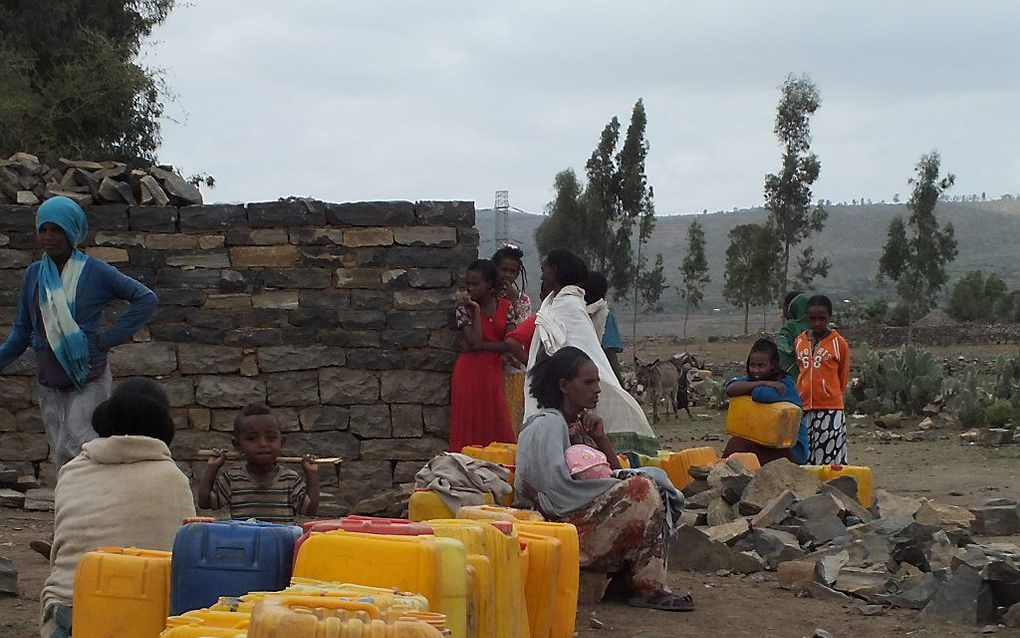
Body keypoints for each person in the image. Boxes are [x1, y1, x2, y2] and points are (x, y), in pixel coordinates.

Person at [515, 346, 693, 611]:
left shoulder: (577, 423)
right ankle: (650, 588)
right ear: (564, 385)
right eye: (589, 382)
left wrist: (600, 438)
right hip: (558, 525)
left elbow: (610, 471)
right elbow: (556, 494)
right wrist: (621, 489)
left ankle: (629, 581)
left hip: (579, 514)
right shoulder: (547, 425)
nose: (597, 388)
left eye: (597, 381)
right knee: (640, 489)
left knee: (645, 486)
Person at [0, 196, 157, 471]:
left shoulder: (96, 271)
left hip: (88, 374)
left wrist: (107, 339)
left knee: (86, 445)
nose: (49, 237)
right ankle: (69, 509)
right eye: (44, 230)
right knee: (60, 450)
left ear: (72, 231)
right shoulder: (34, 275)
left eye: (57, 230)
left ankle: (94, 506)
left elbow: (145, 298)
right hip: (49, 376)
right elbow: (23, 330)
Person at [39, 378, 195, 638]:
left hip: (69, 614)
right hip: (145, 618)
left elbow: (61, 547)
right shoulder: (172, 478)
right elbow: (183, 559)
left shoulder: (72, 471)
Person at [523, 249, 657, 454]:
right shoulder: (558, 303)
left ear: (556, 271)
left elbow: (563, 350)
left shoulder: (568, 305)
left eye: (545, 270)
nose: (542, 276)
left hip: (564, 390)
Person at [198, 403, 319, 523]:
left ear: (281, 442)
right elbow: (205, 503)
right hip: (244, 542)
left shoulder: (290, 479)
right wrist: (212, 468)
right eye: (252, 439)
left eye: (271, 438)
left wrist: (311, 474)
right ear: (238, 445)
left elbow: (309, 510)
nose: (263, 444)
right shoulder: (232, 479)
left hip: (280, 542)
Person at [445, 259, 517, 451]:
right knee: (469, 421)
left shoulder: (506, 306)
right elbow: (474, 342)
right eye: (467, 284)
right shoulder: (465, 309)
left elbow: (510, 344)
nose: (470, 288)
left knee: (496, 417)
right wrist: (476, 310)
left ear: (489, 284)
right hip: (468, 372)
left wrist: (483, 346)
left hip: (492, 371)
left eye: (475, 284)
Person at [722, 338, 808, 465]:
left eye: (761, 366)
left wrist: (751, 386)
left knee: (739, 447)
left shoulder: (785, 385)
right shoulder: (762, 381)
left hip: (791, 450)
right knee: (737, 443)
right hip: (764, 441)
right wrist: (763, 382)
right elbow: (731, 388)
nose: (756, 370)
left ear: (773, 365)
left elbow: (761, 395)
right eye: (752, 365)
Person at [795, 295, 851, 464]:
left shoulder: (839, 343)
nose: (817, 323)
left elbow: (843, 376)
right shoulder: (799, 341)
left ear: (830, 317)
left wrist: (831, 396)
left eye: (822, 318)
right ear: (807, 318)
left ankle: (830, 489)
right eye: (812, 319)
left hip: (830, 409)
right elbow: (801, 370)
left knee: (829, 455)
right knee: (804, 453)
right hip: (804, 407)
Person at [492, 245, 532, 433]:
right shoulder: (486, 296)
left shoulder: (523, 301)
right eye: (503, 269)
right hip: (491, 365)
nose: (507, 275)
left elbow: (522, 331)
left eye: (513, 271)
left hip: (515, 369)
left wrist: (513, 301)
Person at [583, 271, 625, 385]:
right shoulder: (605, 316)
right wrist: (620, 384)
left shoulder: (577, 314)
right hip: (600, 377)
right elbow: (610, 352)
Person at [776, 291, 809, 381]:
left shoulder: (791, 326)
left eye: (784, 307)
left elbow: (781, 342)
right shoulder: (820, 327)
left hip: (792, 378)